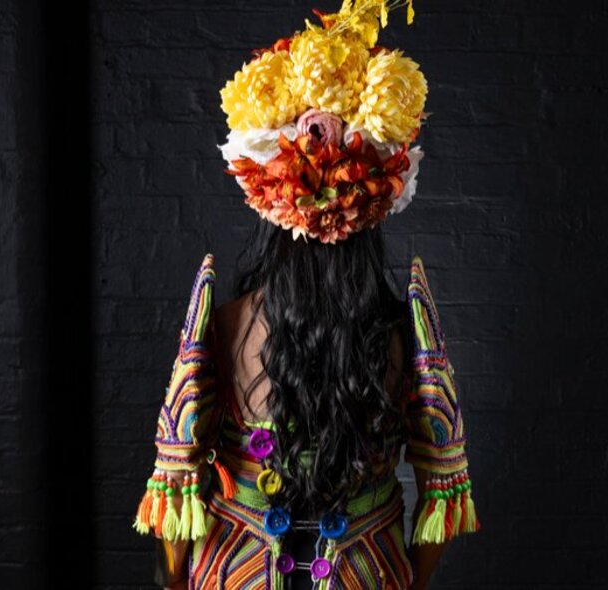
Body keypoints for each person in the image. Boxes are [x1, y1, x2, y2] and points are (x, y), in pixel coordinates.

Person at [131, 2, 480, 588]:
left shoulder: (223, 323)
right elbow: (442, 503)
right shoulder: (404, 335)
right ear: (371, 215)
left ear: (273, 212)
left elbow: (174, 497)